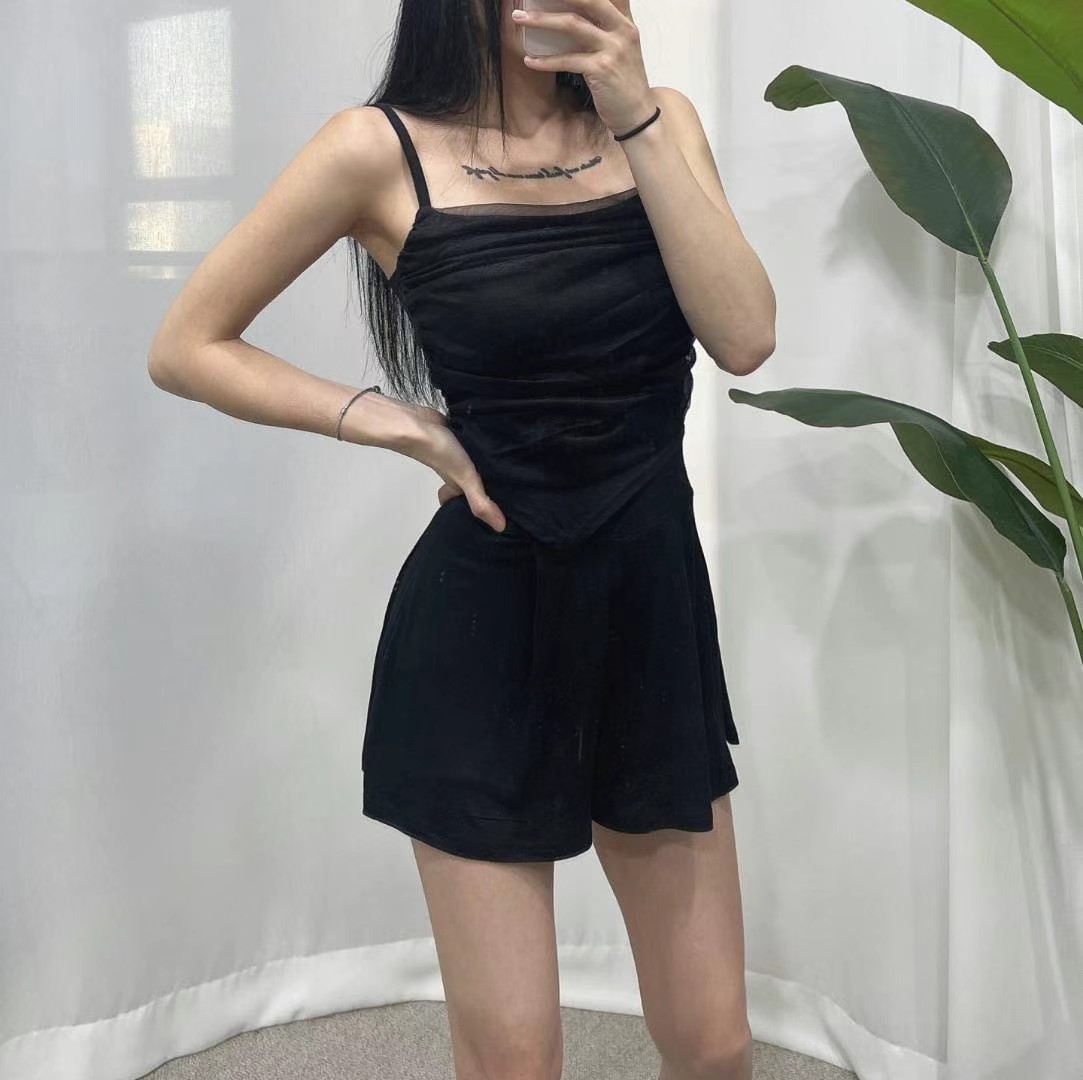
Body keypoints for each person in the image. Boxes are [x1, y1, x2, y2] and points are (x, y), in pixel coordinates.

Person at [148, 1, 775, 1077]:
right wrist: (389, 422)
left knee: (715, 1045)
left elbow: (747, 336)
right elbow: (187, 343)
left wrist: (633, 112)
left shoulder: (660, 122)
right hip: (483, 626)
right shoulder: (374, 150)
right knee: (515, 1060)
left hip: (650, 616)